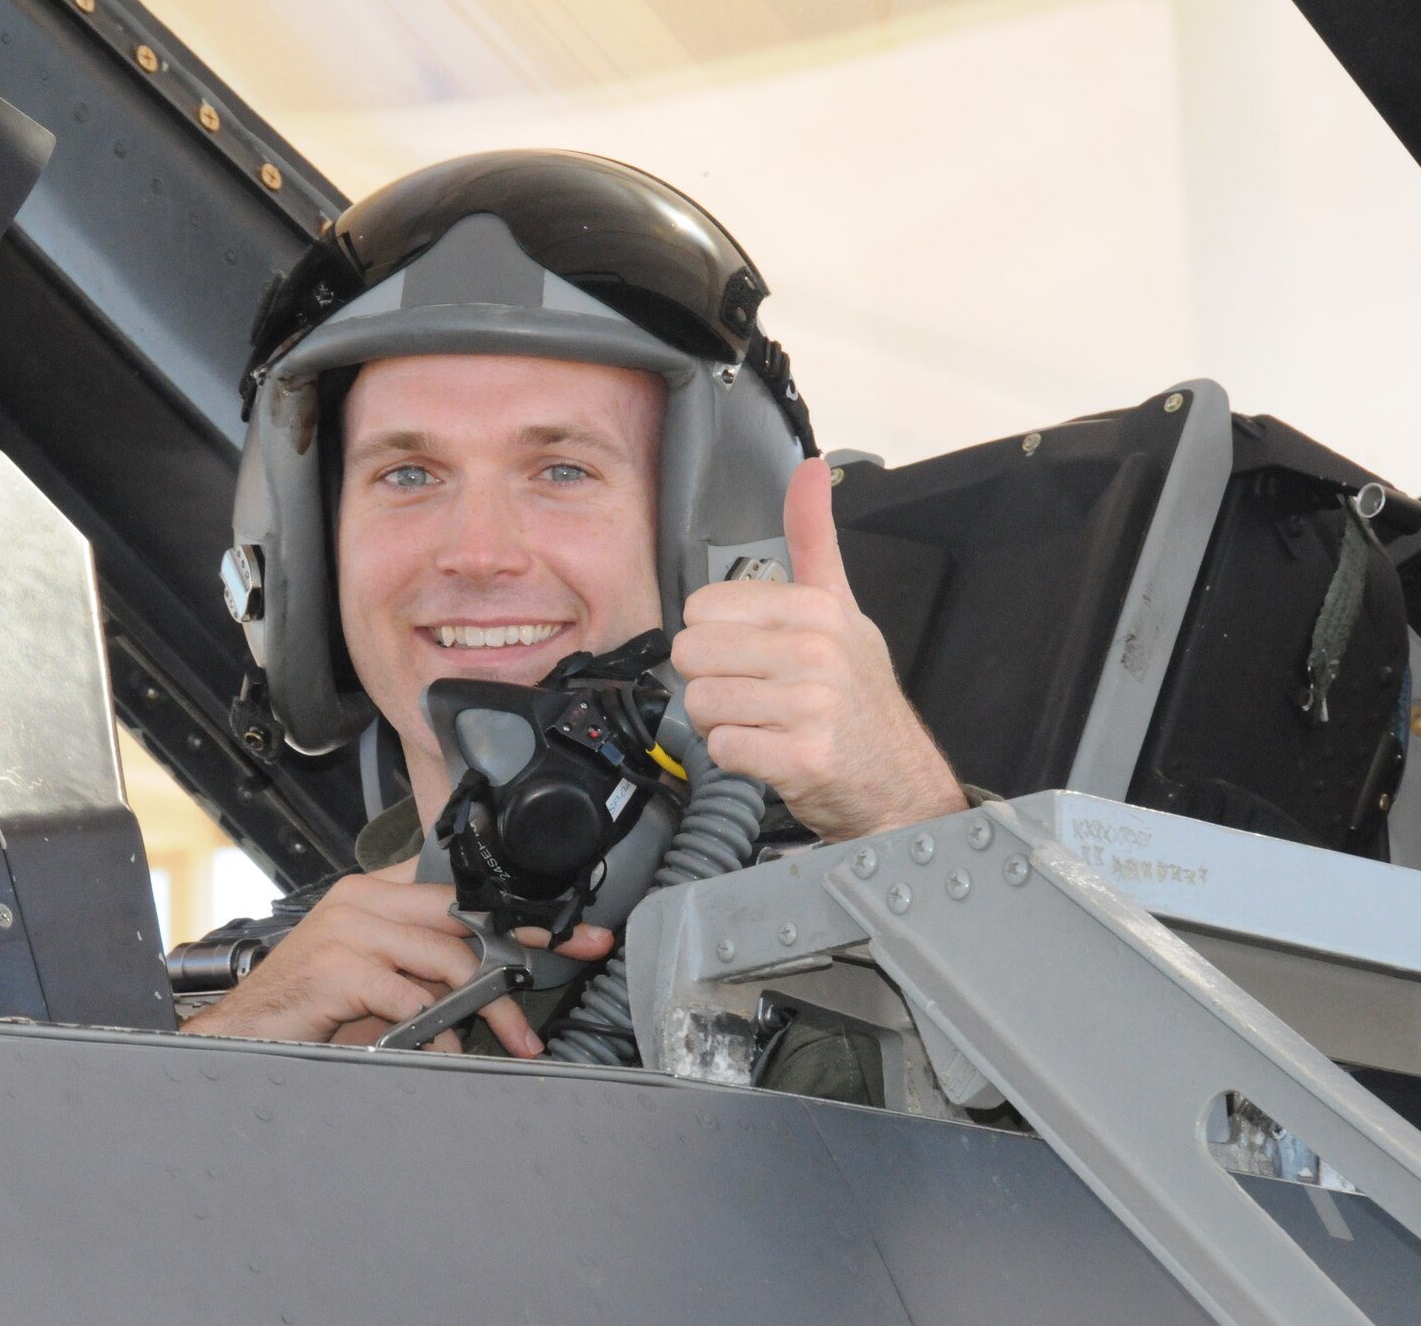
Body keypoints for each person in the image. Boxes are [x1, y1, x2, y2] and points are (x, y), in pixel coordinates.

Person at [184, 150, 966, 1070]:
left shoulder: (869, 946)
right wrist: (220, 1068)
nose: (477, 554)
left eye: (562, 471)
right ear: (313, 553)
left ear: (714, 544)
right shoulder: (246, 994)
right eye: (409, 473)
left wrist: (916, 832)